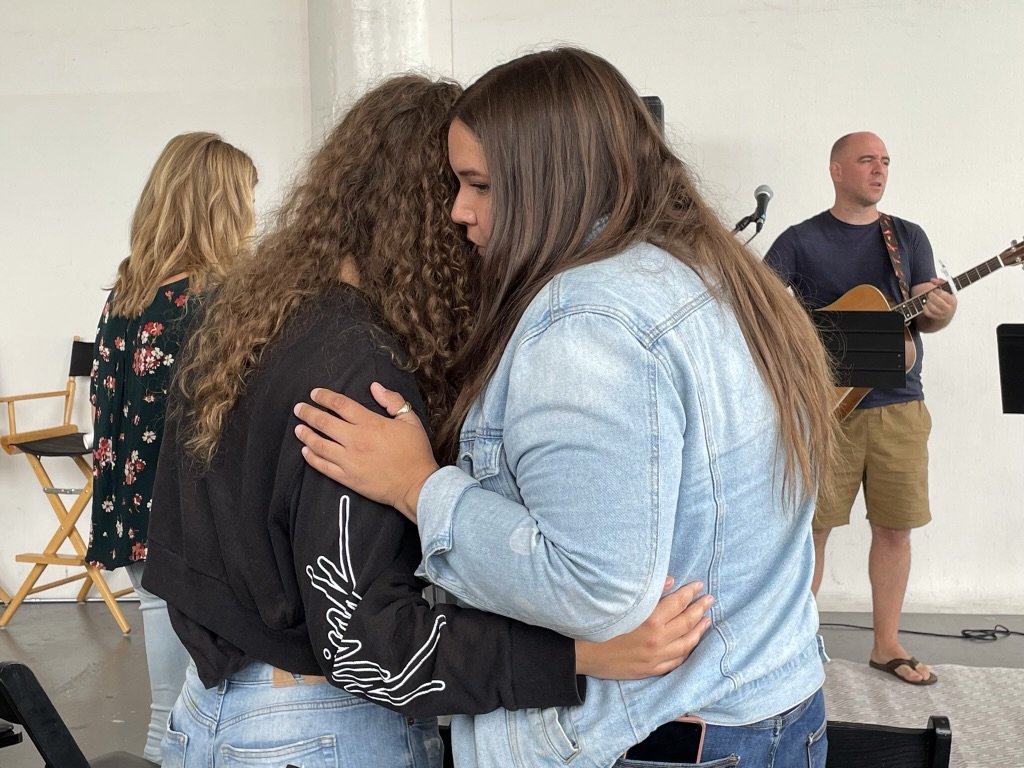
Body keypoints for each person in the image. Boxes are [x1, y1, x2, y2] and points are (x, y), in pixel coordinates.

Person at [142, 74, 712, 768]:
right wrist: (581, 654)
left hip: (210, 715)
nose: (474, 217)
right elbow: (364, 650)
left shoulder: (249, 320)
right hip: (315, 732)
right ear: (429, 211)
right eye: (468, 187)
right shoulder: (361, 374)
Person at [293, 48, 839, 767]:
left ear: (551, 182)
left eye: (480, 185)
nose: (458, 212)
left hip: (656, 733)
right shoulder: (709, 273)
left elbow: (593, 587)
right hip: (766, 707)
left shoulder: (586, 323)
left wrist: (417, 487)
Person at [85, 131, 257, 762]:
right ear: (221, 205)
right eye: (246, 198)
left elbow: (107, 406)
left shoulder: (127, 292)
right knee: (205, 699)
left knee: (169, 699)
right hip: (194, 523)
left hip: (135, 515)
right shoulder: (214, 301)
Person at [764, 131, 957, 686]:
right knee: (812, 530)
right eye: (867, 160)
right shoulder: (799, 240)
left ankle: (886, 644)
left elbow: (923, 317)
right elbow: (763, 313)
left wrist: (941, 311)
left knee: (895, 528)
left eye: (886, 161)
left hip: (899, 406)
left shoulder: (906, 237)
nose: (879, 170)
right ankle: (792, 644)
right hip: (825, 410)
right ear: (836, 170)